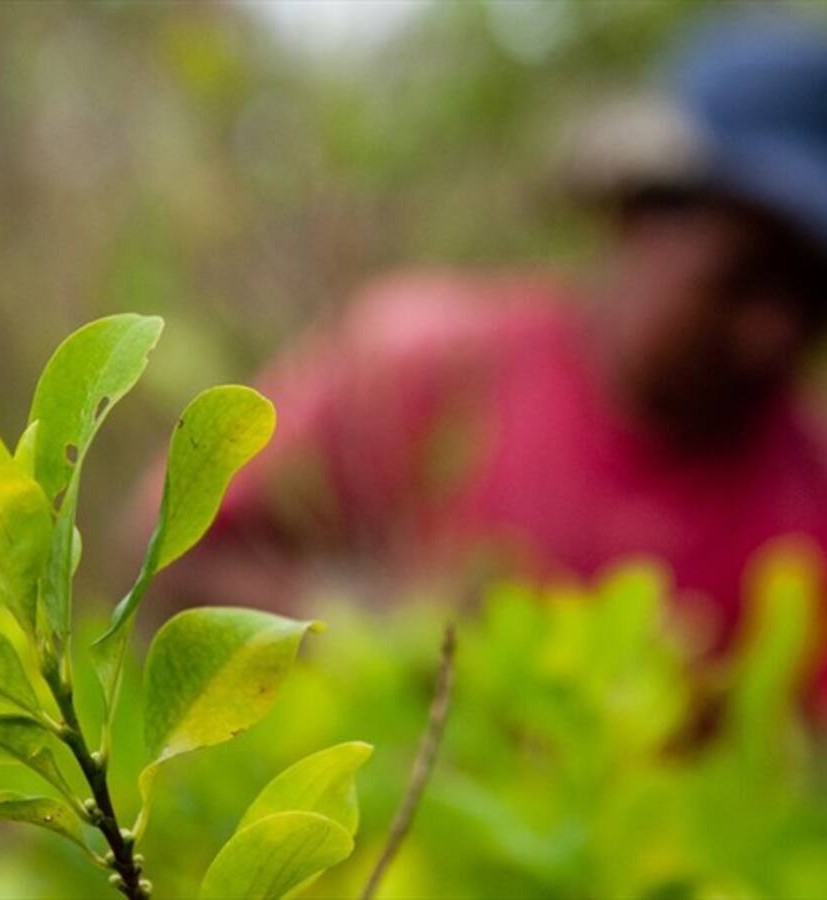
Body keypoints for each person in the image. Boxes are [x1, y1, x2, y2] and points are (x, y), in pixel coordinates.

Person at [148, 13, 827, 708]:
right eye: (743, 280)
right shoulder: (421, 364)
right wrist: (363, 643)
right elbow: (165, 547)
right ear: (640, 215)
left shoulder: (810, 494)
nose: (775, 335)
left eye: (813, 300)